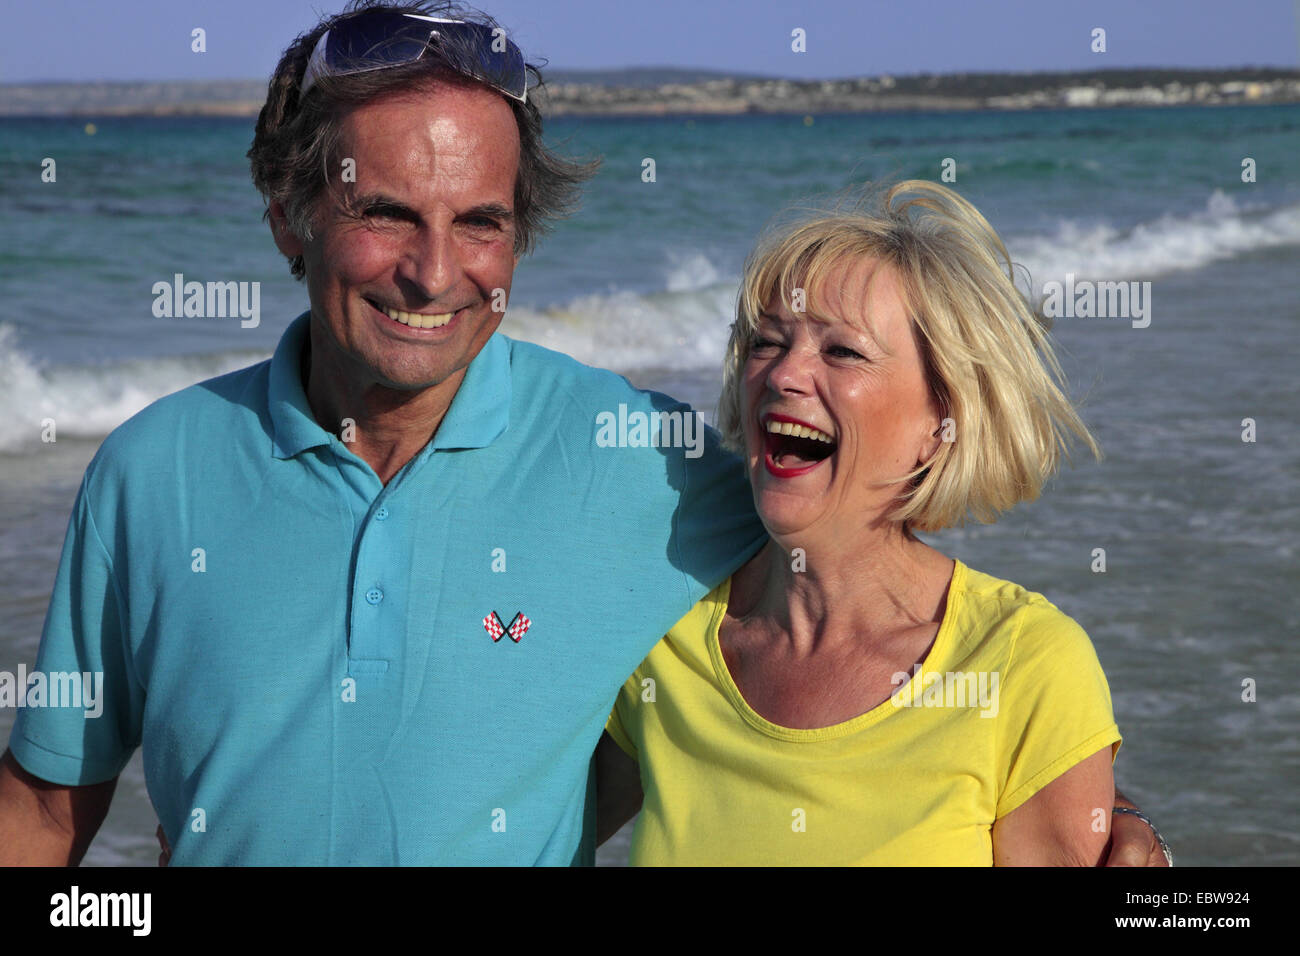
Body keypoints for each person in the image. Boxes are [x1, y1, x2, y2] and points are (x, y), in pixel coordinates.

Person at [0, 2, 1167, 867]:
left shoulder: (649, 471)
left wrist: (1117, 843)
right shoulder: (148, 476)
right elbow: (49, 815)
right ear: (288, 216)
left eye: (482, 222)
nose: (434, 271)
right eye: (385, 213)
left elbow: (868, 567)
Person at [595, 181, 1158, 865]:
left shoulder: (1023, 664)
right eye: (768, 342)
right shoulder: (662, 629)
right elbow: (504, 817)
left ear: (940, 422)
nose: (785, 375)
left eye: (843, 352)